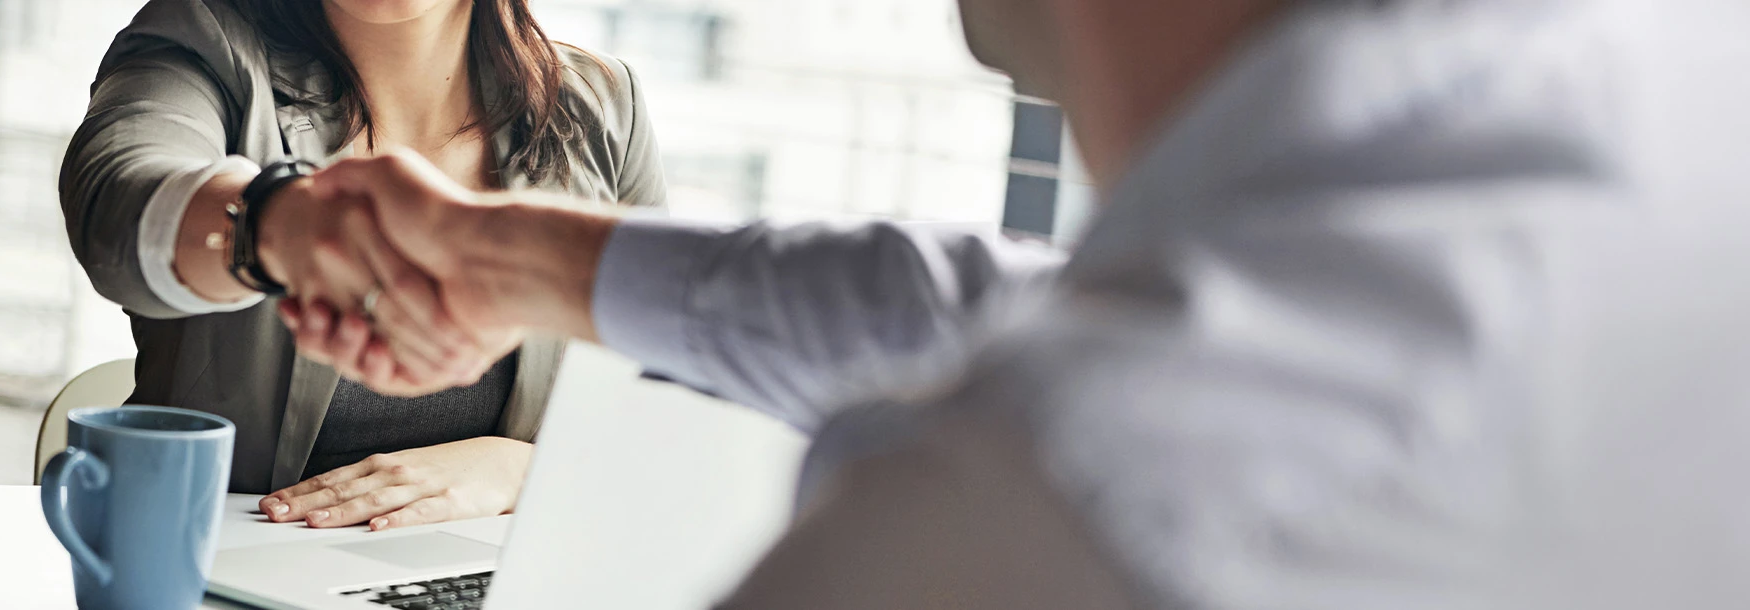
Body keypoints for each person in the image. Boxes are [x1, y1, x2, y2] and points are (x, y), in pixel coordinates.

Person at [276, 0, 1750, 605]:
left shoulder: (1025, 516)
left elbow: (1060, 385)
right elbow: (1000, 306)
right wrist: (522, 262)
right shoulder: (1664, 114)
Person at [59, 0, 664, 531]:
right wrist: (286, 224)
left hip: (486, 575)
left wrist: (529, 469)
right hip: (227, 570)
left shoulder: (604, 104)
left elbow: (665, 412)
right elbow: (115, 207)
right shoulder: (198, 43)